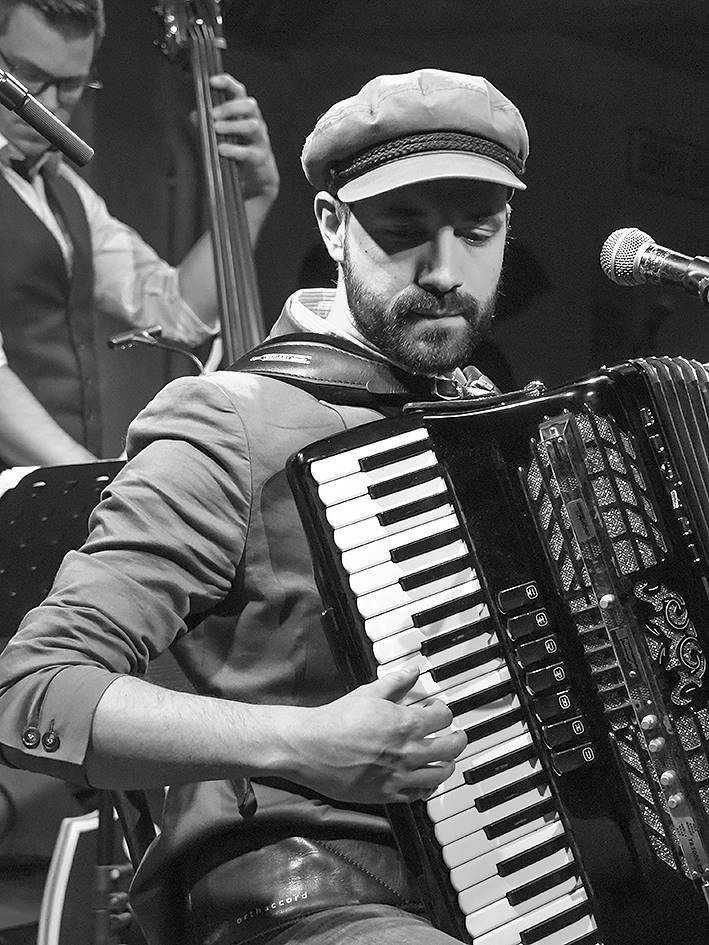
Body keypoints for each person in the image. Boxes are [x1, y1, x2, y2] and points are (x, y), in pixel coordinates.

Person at [0, 68, 528, 944]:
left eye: (477, 231)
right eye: (402, 232)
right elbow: (31, 691)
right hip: (313, 892)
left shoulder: (492, 419)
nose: (444, 271)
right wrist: (305, 742)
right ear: (331, 225)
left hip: (514, 868)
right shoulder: (227, 421)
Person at [0, 0, 279, 467]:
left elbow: (174, 307)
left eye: (70, 86)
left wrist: (254, 197)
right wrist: (93, 482)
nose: (46, 104)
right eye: (27, 77)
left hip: (46, 494)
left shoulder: (64, 190)